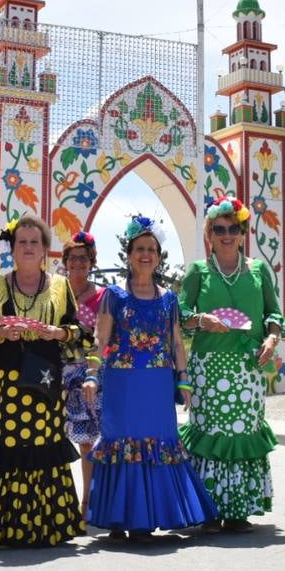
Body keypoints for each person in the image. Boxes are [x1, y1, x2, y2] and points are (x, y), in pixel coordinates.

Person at [0, 215, 91, 548]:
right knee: (6, 446)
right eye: (22, 242)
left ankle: (45, 526)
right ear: (12, 249)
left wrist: (58, 332)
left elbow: (77, 332)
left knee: (42, 447)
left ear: (45, 249)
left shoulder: (60, 287)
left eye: (35, 242)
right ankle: (3, 526)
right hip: (6, 383)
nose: (28, 248)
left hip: (45, 382)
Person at [83, 216, 215, 542]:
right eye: (140, 248)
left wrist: (182, 380)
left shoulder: (168, 298)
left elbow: (176, 342)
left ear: (159, 256)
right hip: (121, 384)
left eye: (152, 249)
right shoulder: (113, 295)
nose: (146, 254)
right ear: (129, 254)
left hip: (157, 385)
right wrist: (91, 375)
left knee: (157, 444)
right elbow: (100, 339)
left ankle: (143, 520)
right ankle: (117, 517)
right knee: (121, 442)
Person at [178, 197, 285, 532]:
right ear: (210, 234)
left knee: (242, 433)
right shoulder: (198, 271)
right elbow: (179, 315)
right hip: (207, 368)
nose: (226, 234)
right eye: (219, 229)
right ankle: (208, 509)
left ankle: (238, 510)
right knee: (210, 434)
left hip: (247, 367)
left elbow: (275, 314)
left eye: (233, 228)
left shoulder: (257, 270)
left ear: (243, 233)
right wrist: (200, 319)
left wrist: (271, 338)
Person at [60, 231, 106, 515]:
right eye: (73, 258)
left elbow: (102, 335)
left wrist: (93, 371)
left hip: (88, 374)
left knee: (87, 442)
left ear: (92, 262)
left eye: (84, 259)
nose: (78, 263)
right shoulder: (54, 291)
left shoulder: (102, 296)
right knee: (56, 440)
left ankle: (86, 503)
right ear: (65, 261)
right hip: (54, 375)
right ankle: (61, 503)